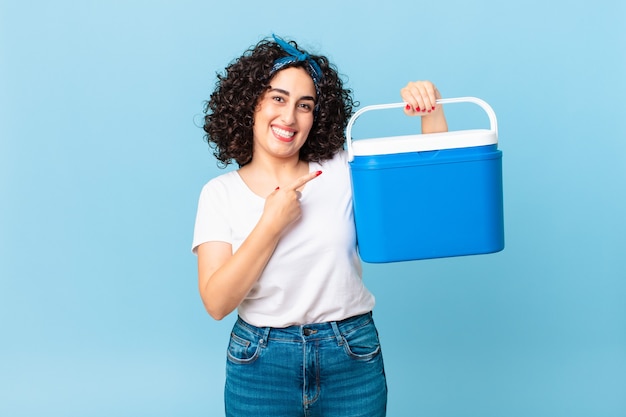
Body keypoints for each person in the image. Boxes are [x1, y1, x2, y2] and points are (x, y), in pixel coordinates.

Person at [192, 34, 448, 417]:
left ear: (317, 116)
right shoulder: (220, 193)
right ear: (251, 103)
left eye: (305, 105)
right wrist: (271, 224)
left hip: (351, 353)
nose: (290, 117)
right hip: (260, 361)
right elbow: (217, 302)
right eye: (278, 98)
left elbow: (431, 193)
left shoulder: (343, 170)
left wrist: (432, 110)